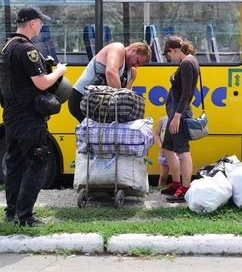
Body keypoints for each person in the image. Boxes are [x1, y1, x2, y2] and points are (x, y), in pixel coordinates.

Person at [0, 6, 67, 226]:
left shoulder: (7, 48)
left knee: (15, 164)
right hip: (29, 118)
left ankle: (11, 213)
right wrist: (59, 71)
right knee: (38, 162)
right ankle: (26, 216)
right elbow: (42, 82)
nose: (41, 25)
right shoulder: (27, 49)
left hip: (11, 116)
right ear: (31, 23)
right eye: (40, 22)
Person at [68, 41, 152, 123]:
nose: (136, 66)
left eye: (139, 65)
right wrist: (120, 101)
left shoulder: (132, 73)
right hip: (81, 99)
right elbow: (111, 72)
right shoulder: (118, 48)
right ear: (133, 50)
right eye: (137, 61)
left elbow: (127, 96)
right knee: (94, 133)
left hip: (97, 104)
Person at [160, 35, 200, 203]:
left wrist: (177, 116)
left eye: (169, 56)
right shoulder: (188, 62)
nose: (171, 59)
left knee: (183, 151)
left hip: (179, 113)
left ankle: (185, 188)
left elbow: (187, 92)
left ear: (173, 50)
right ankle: (176, 183)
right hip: (174, 113)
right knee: (167, 147)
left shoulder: (187, 64)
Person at [153, 115, 180, 186]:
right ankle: (160, 191)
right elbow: (156, 135)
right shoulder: (162, 120)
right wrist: (161, 147)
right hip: (165, 151)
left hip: (178, 151)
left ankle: (178, 190)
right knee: (163, 176)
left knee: (178, 176)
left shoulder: (181, 119)